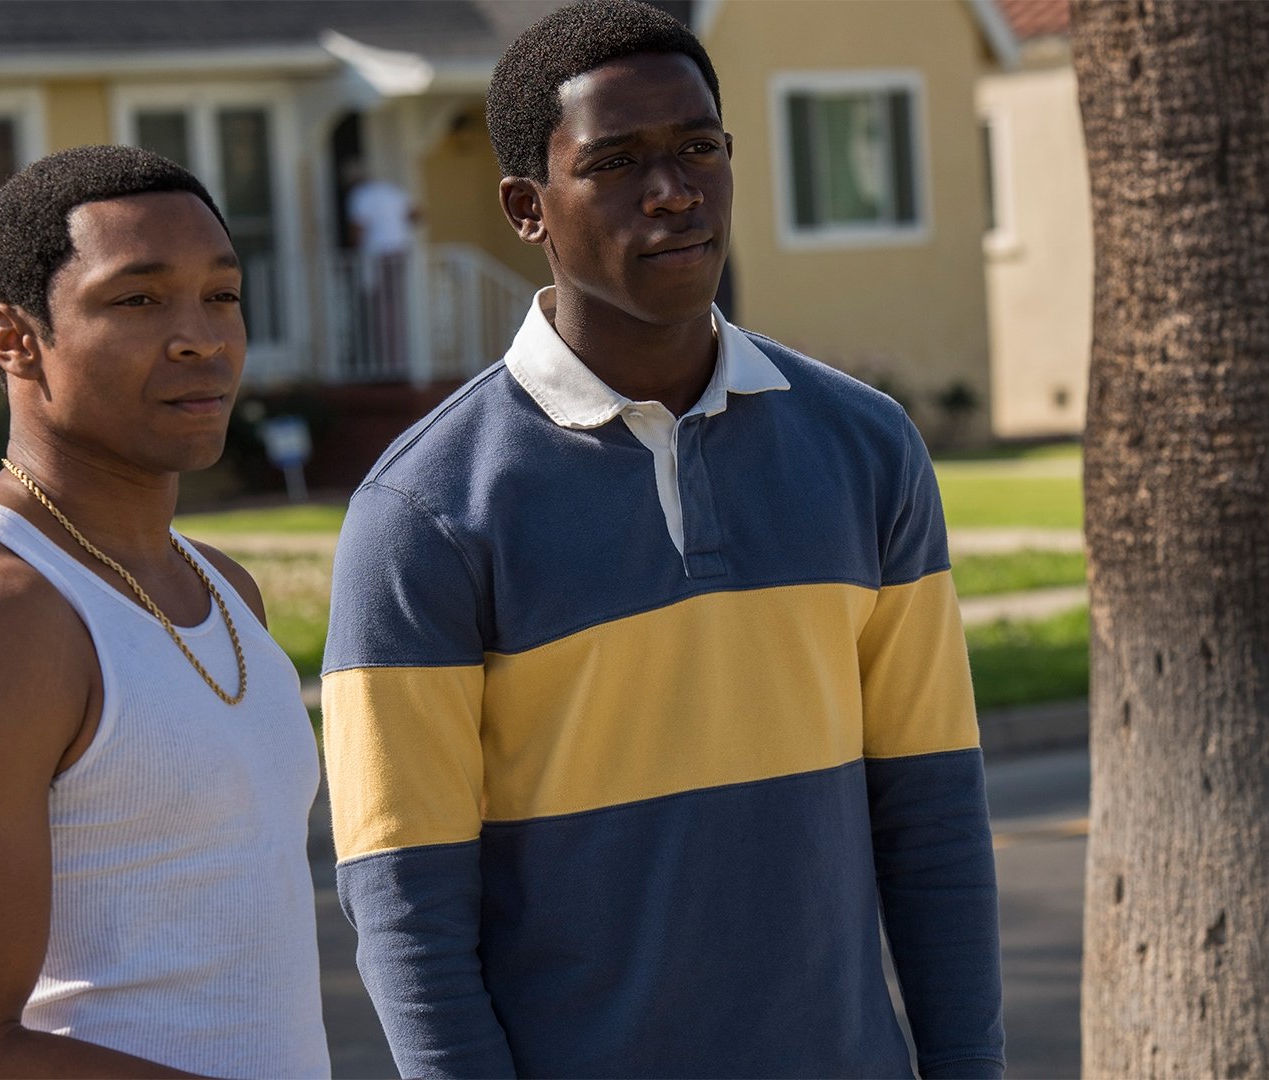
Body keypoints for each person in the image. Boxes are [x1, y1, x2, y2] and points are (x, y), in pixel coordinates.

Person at [321, 2, 1005, 1077]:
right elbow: (409, 909)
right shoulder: (423, 513)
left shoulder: (867, 448)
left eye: (698, 148)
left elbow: (933, 817)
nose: (674, 190)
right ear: (527, 207)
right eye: (617, 162)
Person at [0, 144, 330, 1079]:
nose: (201, 338)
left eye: (222, 295)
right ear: (14, 338)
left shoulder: (226, 590)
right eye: (138, 300)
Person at [343, 161, 418, 375]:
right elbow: (416, 214)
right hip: (400, 252)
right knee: (397, 307)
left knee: (381, 309)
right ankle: (398, 360)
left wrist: (351, 255)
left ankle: (388, 364)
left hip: (379, 255)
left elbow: (357, 229)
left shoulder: (359, 195)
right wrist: (396, 227)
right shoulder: (390, 190)